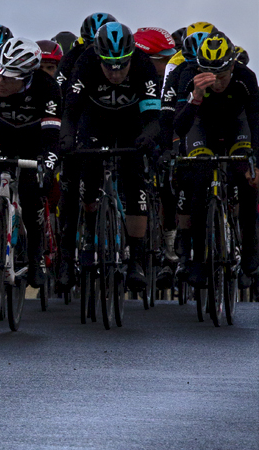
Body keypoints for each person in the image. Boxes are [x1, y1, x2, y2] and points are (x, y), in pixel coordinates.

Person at [59, 22, 162, 291]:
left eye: (121, 66)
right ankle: (90, 238)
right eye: (109, 66)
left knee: (135, 180)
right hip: (95, 120)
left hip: (131, 123)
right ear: (99, 58)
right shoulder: (85, 63)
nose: (115, 73)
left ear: (130, 57)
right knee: (89, 174)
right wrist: (67, 140)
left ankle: (135, 261)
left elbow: (154, 118)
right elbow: (69, 112)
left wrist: (148, 136)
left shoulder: (143, 65)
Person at [0, 37, 61, 288]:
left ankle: (35, 257)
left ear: (26, 77)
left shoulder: (47, 87)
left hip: (33, 140)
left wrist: (47, 166)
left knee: (32, 192)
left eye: (7, 78)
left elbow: (52, 139)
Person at [174, 34, 259, 288]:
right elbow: (180, 126)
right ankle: (199, 260)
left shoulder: (246, 78)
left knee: (247, 180)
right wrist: (196, 96)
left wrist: (256, 161)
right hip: (202, 128)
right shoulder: (189, 79)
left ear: (233, 67)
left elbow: (256, 121)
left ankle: (250, 254)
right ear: (200, 69)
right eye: (211, 75)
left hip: (237, 126)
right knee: (199, 183)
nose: (218, 82)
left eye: (222, 75)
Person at [55, 12, 117, 103]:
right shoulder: (72, 56)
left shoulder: (131, 56)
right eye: (92, 46)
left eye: (103, 46)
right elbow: (58, 88)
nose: (95, 52)